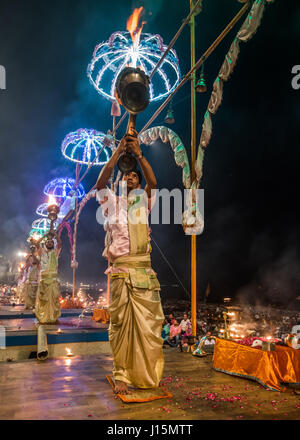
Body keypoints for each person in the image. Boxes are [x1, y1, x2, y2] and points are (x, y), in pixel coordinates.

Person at [95, 129, 164, 395]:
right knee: (121, 325)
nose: (132, 176)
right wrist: (117, 154)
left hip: (144, 272)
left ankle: (145, 374)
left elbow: (154, 183)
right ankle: (121, 374)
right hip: (123, 272)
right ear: (121, 182)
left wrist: (138, 155)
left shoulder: (143, 201)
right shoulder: (112, 202)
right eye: (128, 174)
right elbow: (100, 184)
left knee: (149, 327)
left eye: (135, 174)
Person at [34, 231, 62, 324]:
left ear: (53, 244)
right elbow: (37, 243)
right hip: (44, 280)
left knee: (54, 300)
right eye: (48, 242)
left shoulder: (55, 252)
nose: (49, 243)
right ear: (45, 244)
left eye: (51, 242)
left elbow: (60, 243)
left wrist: (55, 234)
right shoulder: (42, 252)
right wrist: (45, 235)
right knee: (43, 301)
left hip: (53, 280)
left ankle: (53, 318)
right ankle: (43, 317)